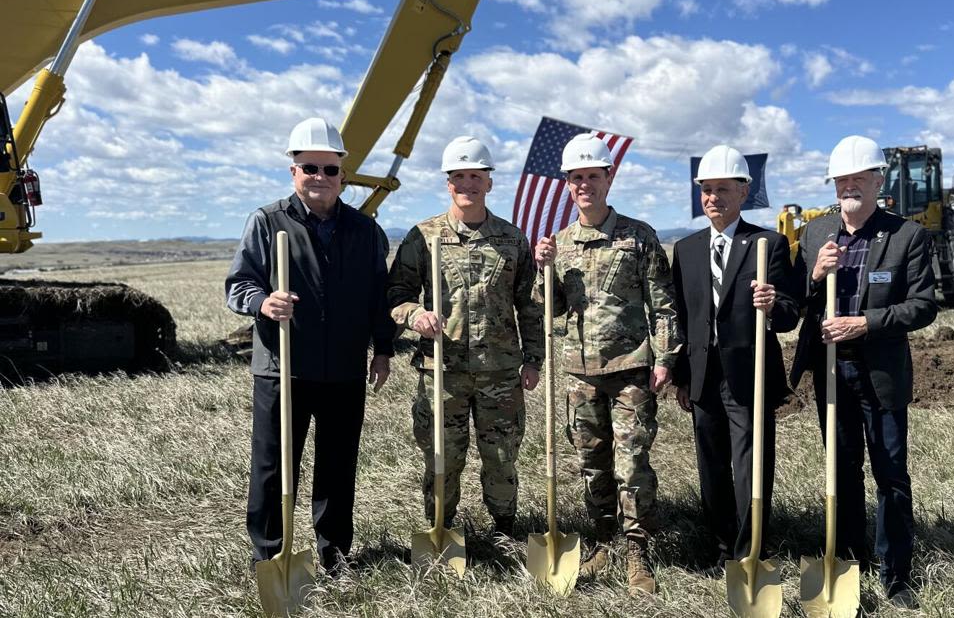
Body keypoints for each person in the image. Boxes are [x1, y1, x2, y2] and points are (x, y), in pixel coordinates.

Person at [226, 117, 394, 575]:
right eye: (309, 168)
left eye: (329, 169)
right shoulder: (266, 221)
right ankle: (270, 556)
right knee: (273, 467)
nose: (320, 177)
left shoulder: (364, 230)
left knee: (338, 468)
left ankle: (335, 554)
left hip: (343, 368)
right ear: (293, 171)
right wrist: (263, 301)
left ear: (343, 173)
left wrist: (383, 348)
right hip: (284, 367)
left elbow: (379, 296)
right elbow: (238, 284)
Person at [790, 135, 937, 609]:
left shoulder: (906, 235)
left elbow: (923, 306)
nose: (849, 187)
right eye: (841, 180)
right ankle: (849, 562)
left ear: (878, 181)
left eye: (858, 178)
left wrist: (864, 324)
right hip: (830, 373)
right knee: (842, 468)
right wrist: (814, 276)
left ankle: (896, 575)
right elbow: (795, 302)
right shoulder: (815, 234)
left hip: (880, 371)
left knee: (890, 473)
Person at [533, 133, 680, 595]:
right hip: (580, 373)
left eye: (592, 176)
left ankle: (638, 550)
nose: (584, 185)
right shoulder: (559, 244)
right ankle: (603, 540)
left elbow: (663, 304)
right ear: (567, 184)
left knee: (631, 463)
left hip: (632, 370)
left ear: (608, 177)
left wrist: (666, 359)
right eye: (576, 178)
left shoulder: (638, 237)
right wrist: (544, 269)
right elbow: (547, 307)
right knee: (592, 463)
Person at [387, 136, 542, 538]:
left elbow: (529, 304)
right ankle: (441, 530)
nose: (467, 184)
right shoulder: (424, 237)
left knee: (502, 457)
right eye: (459, 176)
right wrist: (415, 314)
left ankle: (505, 529)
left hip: (501, 375)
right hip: (443, 373)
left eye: (476, 176)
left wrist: (534, 359)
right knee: (442, 458)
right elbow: (396, 295)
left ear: (489, 182)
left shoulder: (512, 239)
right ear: (447, 182)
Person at [670, 145, 800, 567]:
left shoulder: (768, 243)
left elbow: (788, 316)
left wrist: (773, 302)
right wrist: (682, 376)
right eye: (706, 190)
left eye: (723, 189)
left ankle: (752, 549)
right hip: (704, 375)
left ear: (744, 192)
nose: (713, 198)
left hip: (750, 375)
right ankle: (722, 546)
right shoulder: (686, 250)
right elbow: (682, 317)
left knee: (750, 466)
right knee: (711, 466)